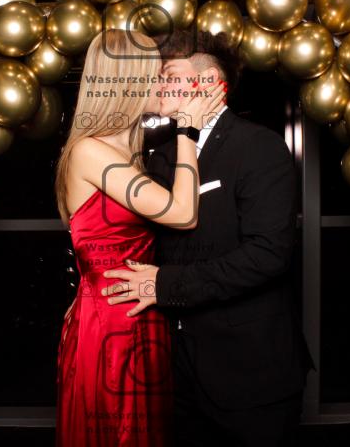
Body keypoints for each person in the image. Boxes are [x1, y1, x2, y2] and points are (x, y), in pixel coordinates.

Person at [100, 29, 316, 446]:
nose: (156, 84)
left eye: (169, 75)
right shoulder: (161, 155)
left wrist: (165, 284)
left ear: (210, 83)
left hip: (251, 372)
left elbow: (268, 255)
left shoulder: (259, 147)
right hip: (177, 370)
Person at [54, 28, 226, 447]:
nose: (164, 85)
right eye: (156, 75)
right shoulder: (90, 151)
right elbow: (182, 214)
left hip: (138, 311)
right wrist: (187, 130)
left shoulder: (129, 152)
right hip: (111, 322)